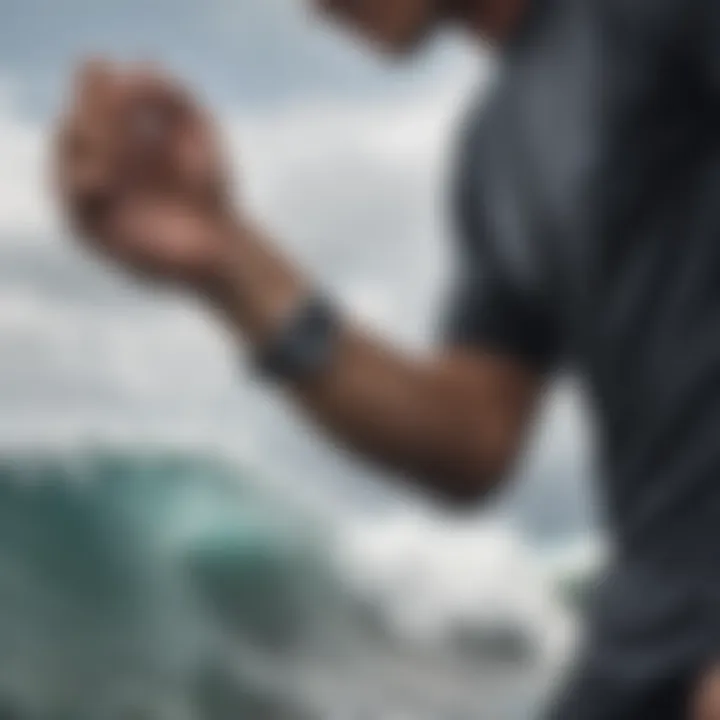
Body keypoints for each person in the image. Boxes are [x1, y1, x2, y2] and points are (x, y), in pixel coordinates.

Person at [52, 0, 720, 717]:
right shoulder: (496, 150)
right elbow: (472, 440)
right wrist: (229, 266)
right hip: (648, 627)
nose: (315, 10)